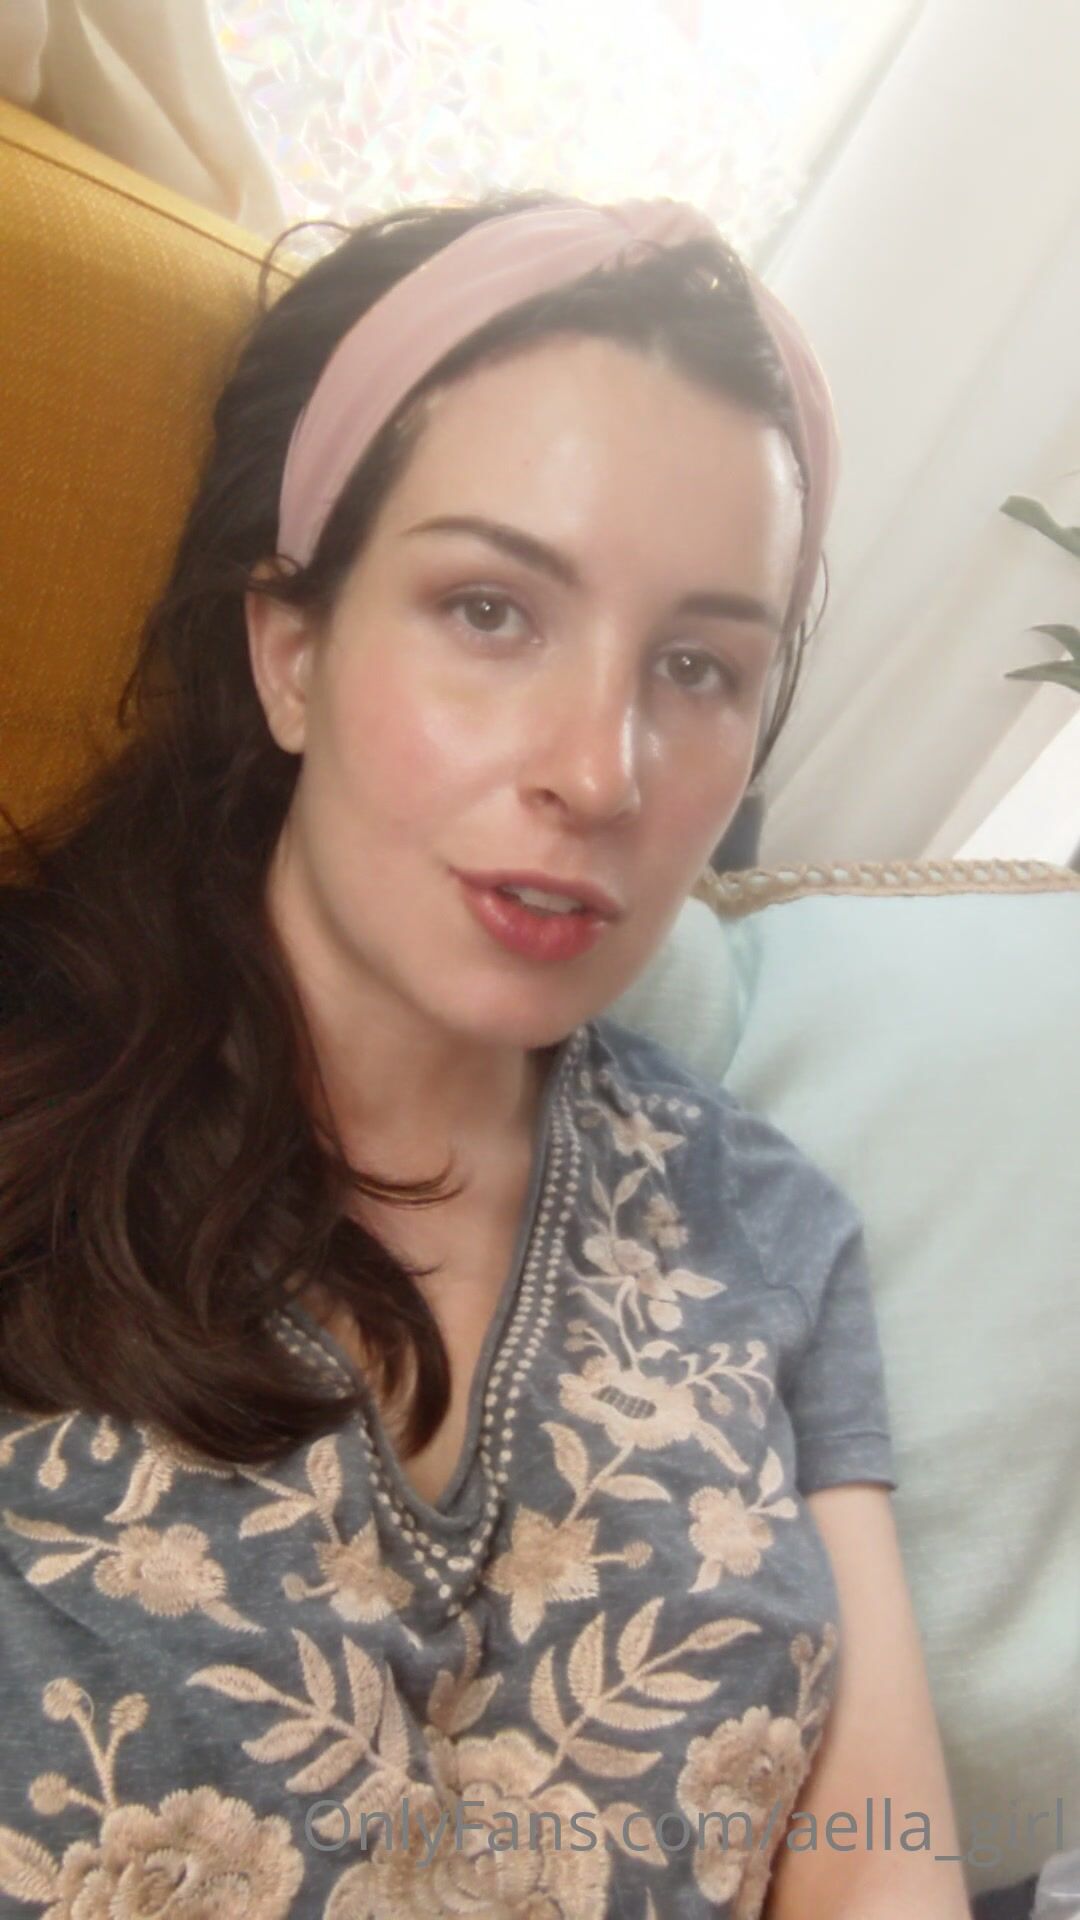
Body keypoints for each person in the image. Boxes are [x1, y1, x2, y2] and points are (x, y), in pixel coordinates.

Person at [0, 192, 972, 1919]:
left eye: (699, 666)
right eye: (490, 610)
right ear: (291, 648)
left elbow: (877, 1871)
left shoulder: (769, 1229)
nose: (602, 769)